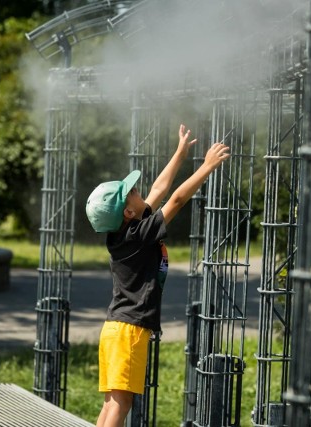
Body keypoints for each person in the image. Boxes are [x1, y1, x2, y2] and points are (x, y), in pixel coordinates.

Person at [85, 124, 230, 427]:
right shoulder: (139, 234)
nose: (140, 191)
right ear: (127, 212)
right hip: (130, 329)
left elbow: (159, 190)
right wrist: (206, 167)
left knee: (112, 402)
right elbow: (174, 200)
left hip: (114, 329)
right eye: (133, 193)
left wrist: (179, 152)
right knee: (121, 403)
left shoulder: (125, 234)